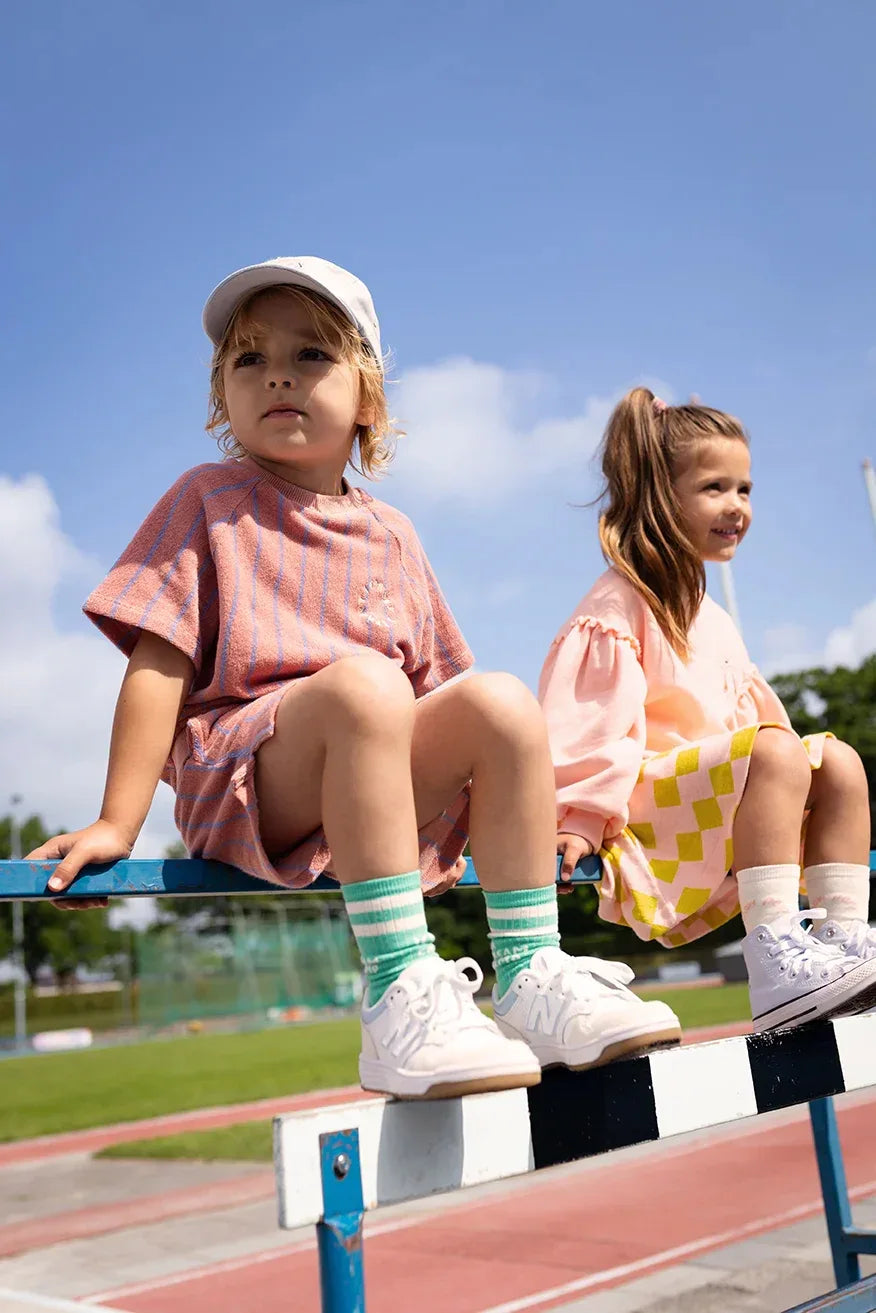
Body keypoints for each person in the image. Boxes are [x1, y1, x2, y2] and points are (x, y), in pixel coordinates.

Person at [27, 261, 680, 1096]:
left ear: (368, 396)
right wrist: (119, 819)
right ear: (223, 395)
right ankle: (400, 987)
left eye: (311, 356)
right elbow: (159, 660)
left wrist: (552, 825)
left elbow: (454, 701)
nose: (278, 376)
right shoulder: (206, 499)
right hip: (246, 774)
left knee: (504, 699)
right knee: (368, 684)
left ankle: (529, 970)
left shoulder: (392, 533)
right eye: (250, 360)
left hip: (370, 777)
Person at [539, 387, 876, 1032]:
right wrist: (578, 816)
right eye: (715, 487)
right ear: (660, 496)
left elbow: (752, 720)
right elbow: (588, 721)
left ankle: (842, 938)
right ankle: (774, 954)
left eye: (744, 490)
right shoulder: (621, 602)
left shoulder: (710, 615)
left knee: (839, 759)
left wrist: (792, 783)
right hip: (646, 803)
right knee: (777, 747)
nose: (737, 507)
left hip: (715, 794)